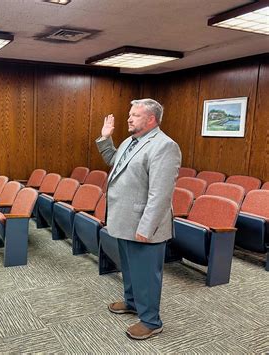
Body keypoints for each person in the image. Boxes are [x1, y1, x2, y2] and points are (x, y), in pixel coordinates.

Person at [96, 98, 181, 340]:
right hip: (124, 220)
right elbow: (115, 162)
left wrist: (147, 227)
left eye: (135, 115)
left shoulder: (165, 146)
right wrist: (105, 138)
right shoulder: (130, 141)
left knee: (146, 274)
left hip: (144, 225)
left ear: (151, 119)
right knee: (131, 269)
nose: (129, 118)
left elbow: (161, 194)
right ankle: (132, 303)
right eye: (130, 114)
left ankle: (151, 321)